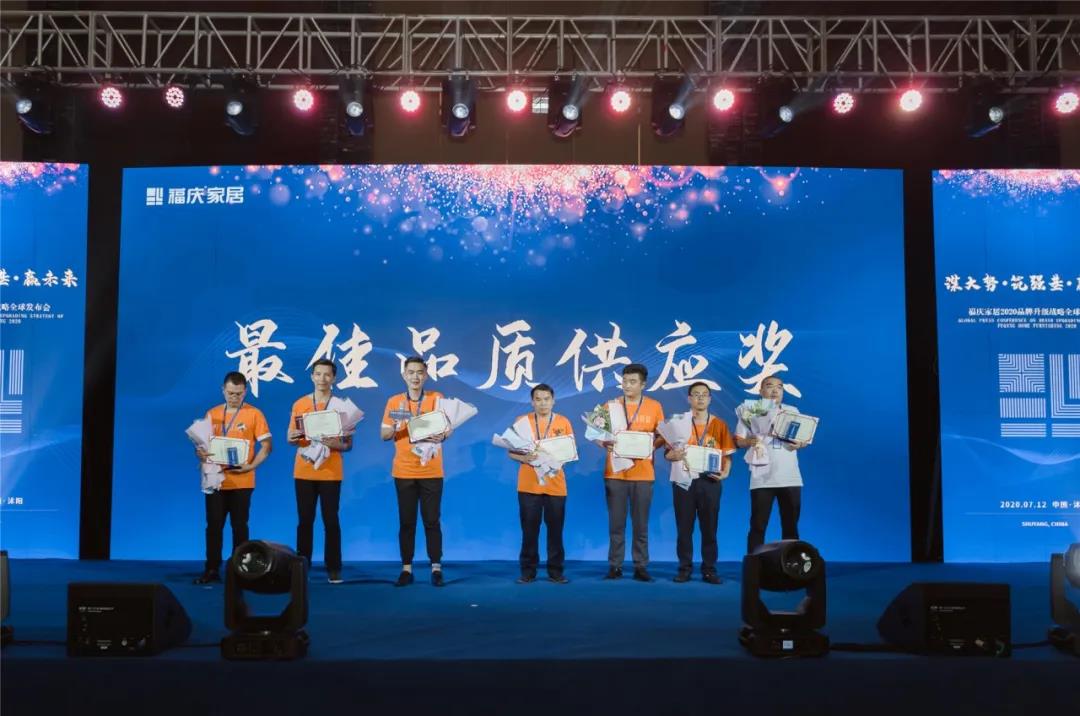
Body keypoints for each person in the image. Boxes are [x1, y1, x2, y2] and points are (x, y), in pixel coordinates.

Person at [193, 371, 272, 585]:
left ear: (245, 392)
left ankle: (240, 571)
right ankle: (211, 569)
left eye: (238, 393)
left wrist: (251, 466)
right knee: (213, 526)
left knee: (239, 526)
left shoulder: (254, 414)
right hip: (216, 480)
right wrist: (200, 453)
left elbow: (267, 446)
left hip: (242, 480)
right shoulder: (212, 414)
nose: (234, 397)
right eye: (230, 393)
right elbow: (202, 446)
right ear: (223, 390)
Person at [380, 356, 452, 587]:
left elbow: (448, 429)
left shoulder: (436, 398)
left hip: (431, 470)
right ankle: (406, 568)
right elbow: (384, 434)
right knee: (407, 522)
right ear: (404, 375)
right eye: (411, 372)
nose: (415, 377)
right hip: (404, 471)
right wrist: (397, 425)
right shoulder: (394, 402)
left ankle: (436, 567)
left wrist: (443, 435)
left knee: (432, 521)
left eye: (420, 372)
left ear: (426, 375)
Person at [596, 363, 665, 582]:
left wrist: (650, 446)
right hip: (615, 473)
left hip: (643, 474)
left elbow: (663, 436)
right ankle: (615, 566)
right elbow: (595, 433)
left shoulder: (654, 406)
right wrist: (603, 443)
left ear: (643, 384)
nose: (627, 385)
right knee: (616, 524)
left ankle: (640, 566)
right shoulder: (610, 405)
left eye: (632, 382)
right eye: (624, 381)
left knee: (640, 524)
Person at [287, 359, 353, 584]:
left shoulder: (341, 406)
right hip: (304, 470)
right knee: (304, 521)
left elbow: (348, 444)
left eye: (327, 375)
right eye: (318, 374)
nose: (322, 379)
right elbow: (290, 438)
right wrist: (293, 437)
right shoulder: (300, 403)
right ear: (312, 376)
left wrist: (334, 443)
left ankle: (333, 567)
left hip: (330, 472)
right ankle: (302, 567)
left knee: (331, 521)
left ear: (333, 378)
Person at [663, 382, 734, 584]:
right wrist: (673, 455)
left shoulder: (719, 424)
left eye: (704, 394)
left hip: (709, 481)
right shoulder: (678, 423)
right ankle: (684, 568)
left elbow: (727, 454)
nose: (700, 398)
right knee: (684, 528)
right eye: (696, 394)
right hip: (683, 481)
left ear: (710, 399)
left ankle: (709, 569)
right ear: (689, 399)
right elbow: (667, 454)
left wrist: (725, 472)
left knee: (709, 527)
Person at [506, 384, 574, 584]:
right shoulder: (521, 421)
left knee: (556, 532)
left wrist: (554, 459)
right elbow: (511, 452)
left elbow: (570, 452)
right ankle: (528, 571)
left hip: (556, 485)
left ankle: (556, 571)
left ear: (553, 401)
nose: (543, 403)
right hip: (529, 486)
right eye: (538, 399)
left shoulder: (563, 422)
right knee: (529, 531)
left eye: (546, 399)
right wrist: (525, 458)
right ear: (532, 402)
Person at [734, 375, 810, 553]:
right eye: (769, 386)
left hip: (790, 477)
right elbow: (738, 440)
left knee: (790, 526)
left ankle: (790, 564)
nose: (775, 390)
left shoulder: (792, 410)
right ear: (761, 391)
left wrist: (800, 444)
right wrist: (750, 441)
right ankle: (754, 565)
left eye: (779, 387)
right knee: (758, 526)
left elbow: (803, 440)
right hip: (761, 477)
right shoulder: (750, 409)